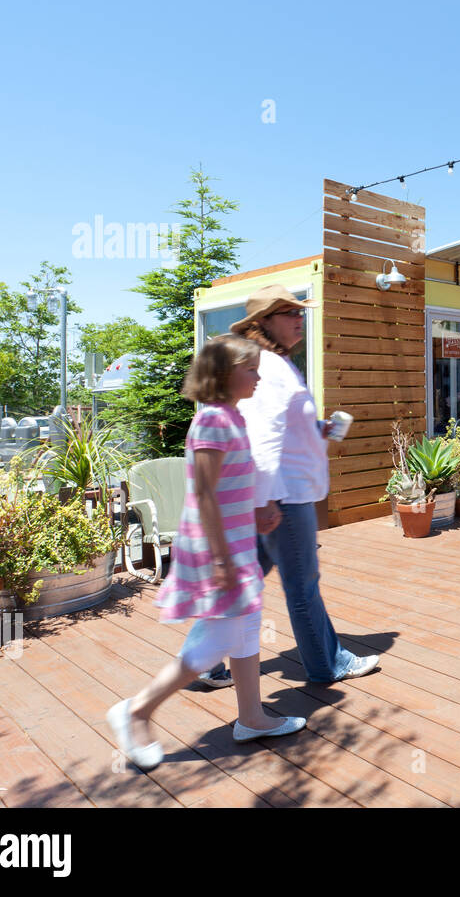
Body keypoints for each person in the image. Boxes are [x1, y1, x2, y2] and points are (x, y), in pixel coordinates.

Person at [107, 334, 305, 770]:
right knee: (213, 641)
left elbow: (233, 485)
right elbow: (205, 494)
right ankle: (136, 710)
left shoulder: (233, 416)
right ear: (223, 373)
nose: (257, 376)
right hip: (216, 550)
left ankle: (252, 717)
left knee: (246, 627)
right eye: (250, 368)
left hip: (235, 542)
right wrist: (219, 559)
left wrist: (257, 512)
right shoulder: (213, 420)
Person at [231, 285, 379, 684]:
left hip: (273, 493)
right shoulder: (269, 366)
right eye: (288, 314)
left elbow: (284, 426)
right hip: (283, 496)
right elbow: (262, 434)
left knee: (245, 584)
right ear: (263, 322)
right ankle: (328, 664)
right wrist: (265, 501)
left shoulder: (270, 363)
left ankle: (205, 661)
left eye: (300, 313)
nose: (299, 320)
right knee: (302, 585)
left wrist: (318, 428)